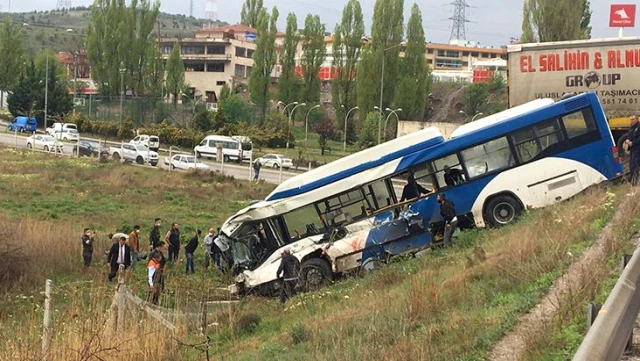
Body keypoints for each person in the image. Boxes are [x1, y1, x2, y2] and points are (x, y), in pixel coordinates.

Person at [624, 115, 640, 184]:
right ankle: (633, 179)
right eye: (630, 119)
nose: (631, 121)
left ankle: (635, 180)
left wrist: (633, 143)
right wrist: (627, 140)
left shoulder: (638, 127)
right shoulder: (631, 127)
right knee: (632, 164)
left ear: (637, 119)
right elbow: (630, 135)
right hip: (633, 149)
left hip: (638, 147)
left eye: (633, 119)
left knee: (635, 164)